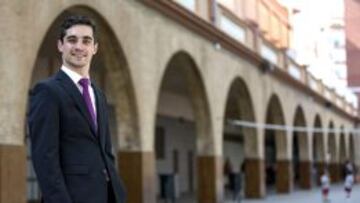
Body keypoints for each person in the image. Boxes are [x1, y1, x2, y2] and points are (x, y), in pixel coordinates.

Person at [28, 15, 125, 203]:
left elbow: (105, 151)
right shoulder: (47, 91)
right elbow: (44, 159)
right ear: (60, 45)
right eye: (72, 40)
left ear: (94, 48)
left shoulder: (98, 94)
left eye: (86, 41)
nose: (79, 46)